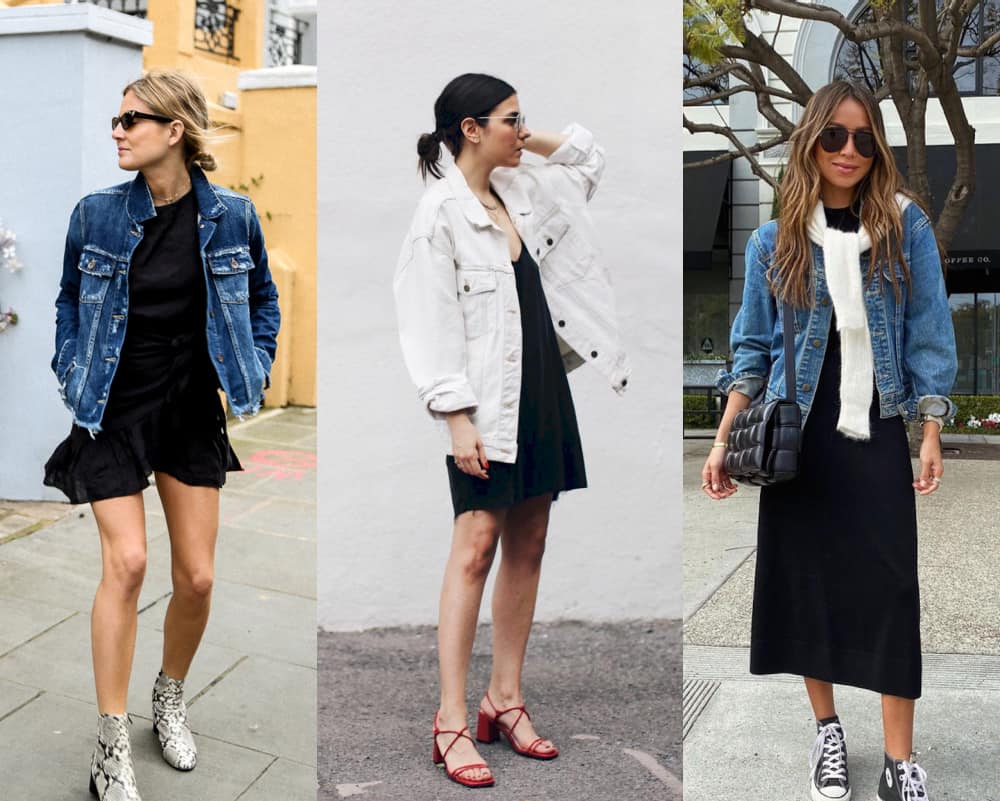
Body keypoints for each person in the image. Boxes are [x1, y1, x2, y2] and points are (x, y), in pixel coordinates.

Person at [704, 80, 956, 801]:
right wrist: (723, 440)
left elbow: (931, 336)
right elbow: (751, 351)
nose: (850, 151)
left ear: (878, 149)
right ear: (810, 141)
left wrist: (930, 429)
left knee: (889, 588)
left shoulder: (905, 229)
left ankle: (899, 763)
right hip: (798, 437)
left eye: (864, 139)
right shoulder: (771, 239)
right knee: (806, 585)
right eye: (835, 136)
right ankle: (829, 733)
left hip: (875, 430)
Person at [44, 70, 279, 801]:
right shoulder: (97, 214)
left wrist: (258, 362)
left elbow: (263, 298)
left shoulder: (233, 216)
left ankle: (168, 695)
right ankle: (112, 737)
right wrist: (67, 367)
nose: (117, 130)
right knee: (129, 562)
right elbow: (67, 301)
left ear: (175, 130)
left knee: (198, 577)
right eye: (115, 120)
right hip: (113, 406)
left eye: (131, 119)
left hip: (188, 408)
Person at [393, 73, 629, 788]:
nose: (521, 132)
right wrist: (455, 416)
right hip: (485, 403)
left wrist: (530, 135)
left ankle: (506, 697)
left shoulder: (524, 191)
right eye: (508, 120)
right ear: (470, 129)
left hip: (542, 389)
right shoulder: (439, 214)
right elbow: (427, 321)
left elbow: (589, 160)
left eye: (522, 120)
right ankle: (452, 718)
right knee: (475, 547)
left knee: (530, 539)